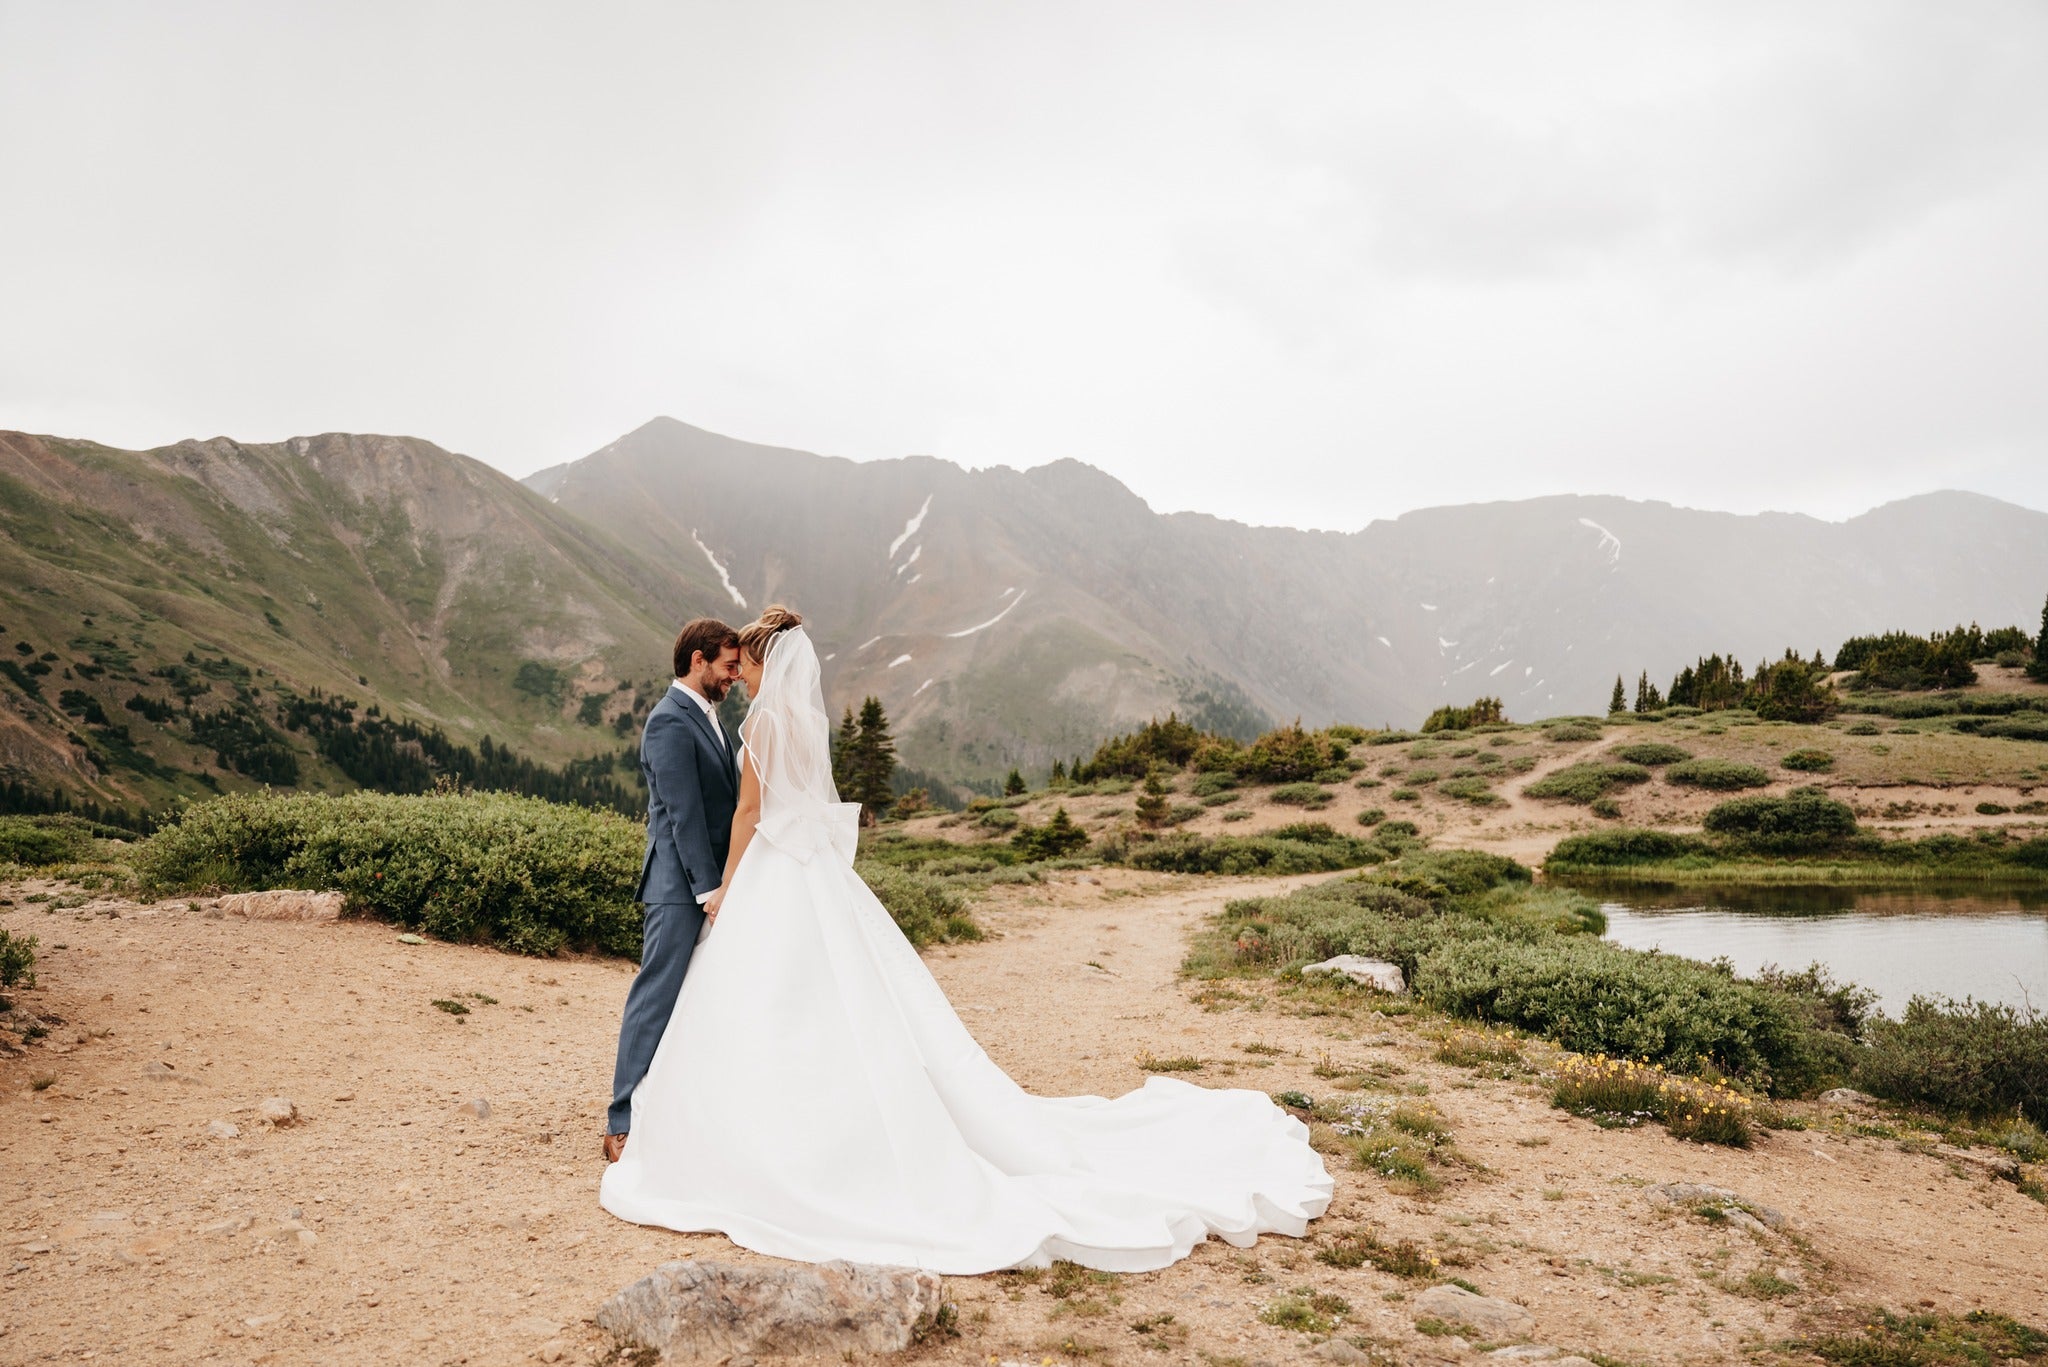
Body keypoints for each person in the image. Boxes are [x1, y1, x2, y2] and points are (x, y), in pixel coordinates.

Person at [600, 605, 1331, 1272]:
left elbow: (748, 812)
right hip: (808, 871)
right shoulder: (800, 722)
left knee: (764, 999)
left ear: (764, 661)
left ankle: (735, 1134)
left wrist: (727, 884)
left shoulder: (761, 723)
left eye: (746, 662)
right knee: (826, 997)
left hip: (767, 872)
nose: (740, 673)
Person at [603, 617, 741, 1164]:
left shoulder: (708, 718)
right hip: (678, 887)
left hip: (708, 884)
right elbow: (682, 815)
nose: (733, 678)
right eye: (728, 667)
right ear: (698, 660)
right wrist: (709, 890)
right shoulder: (668, 720)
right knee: (655, 994)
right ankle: (620, 1123)